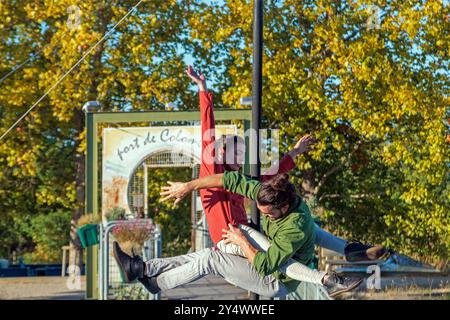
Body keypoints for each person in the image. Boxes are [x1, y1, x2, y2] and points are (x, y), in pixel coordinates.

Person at [113, 172, 363, 298]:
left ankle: (158, 283)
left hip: (275, 281)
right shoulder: (269, 192)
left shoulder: (294, 225)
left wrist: (242, 242)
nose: (266, 216)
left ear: (284, 207)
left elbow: (266, 265)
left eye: (270, 214)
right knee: (207, 254)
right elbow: (229, 179)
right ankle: (142, 267)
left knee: (212, 260)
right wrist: (188, 186)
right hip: (273, 260)